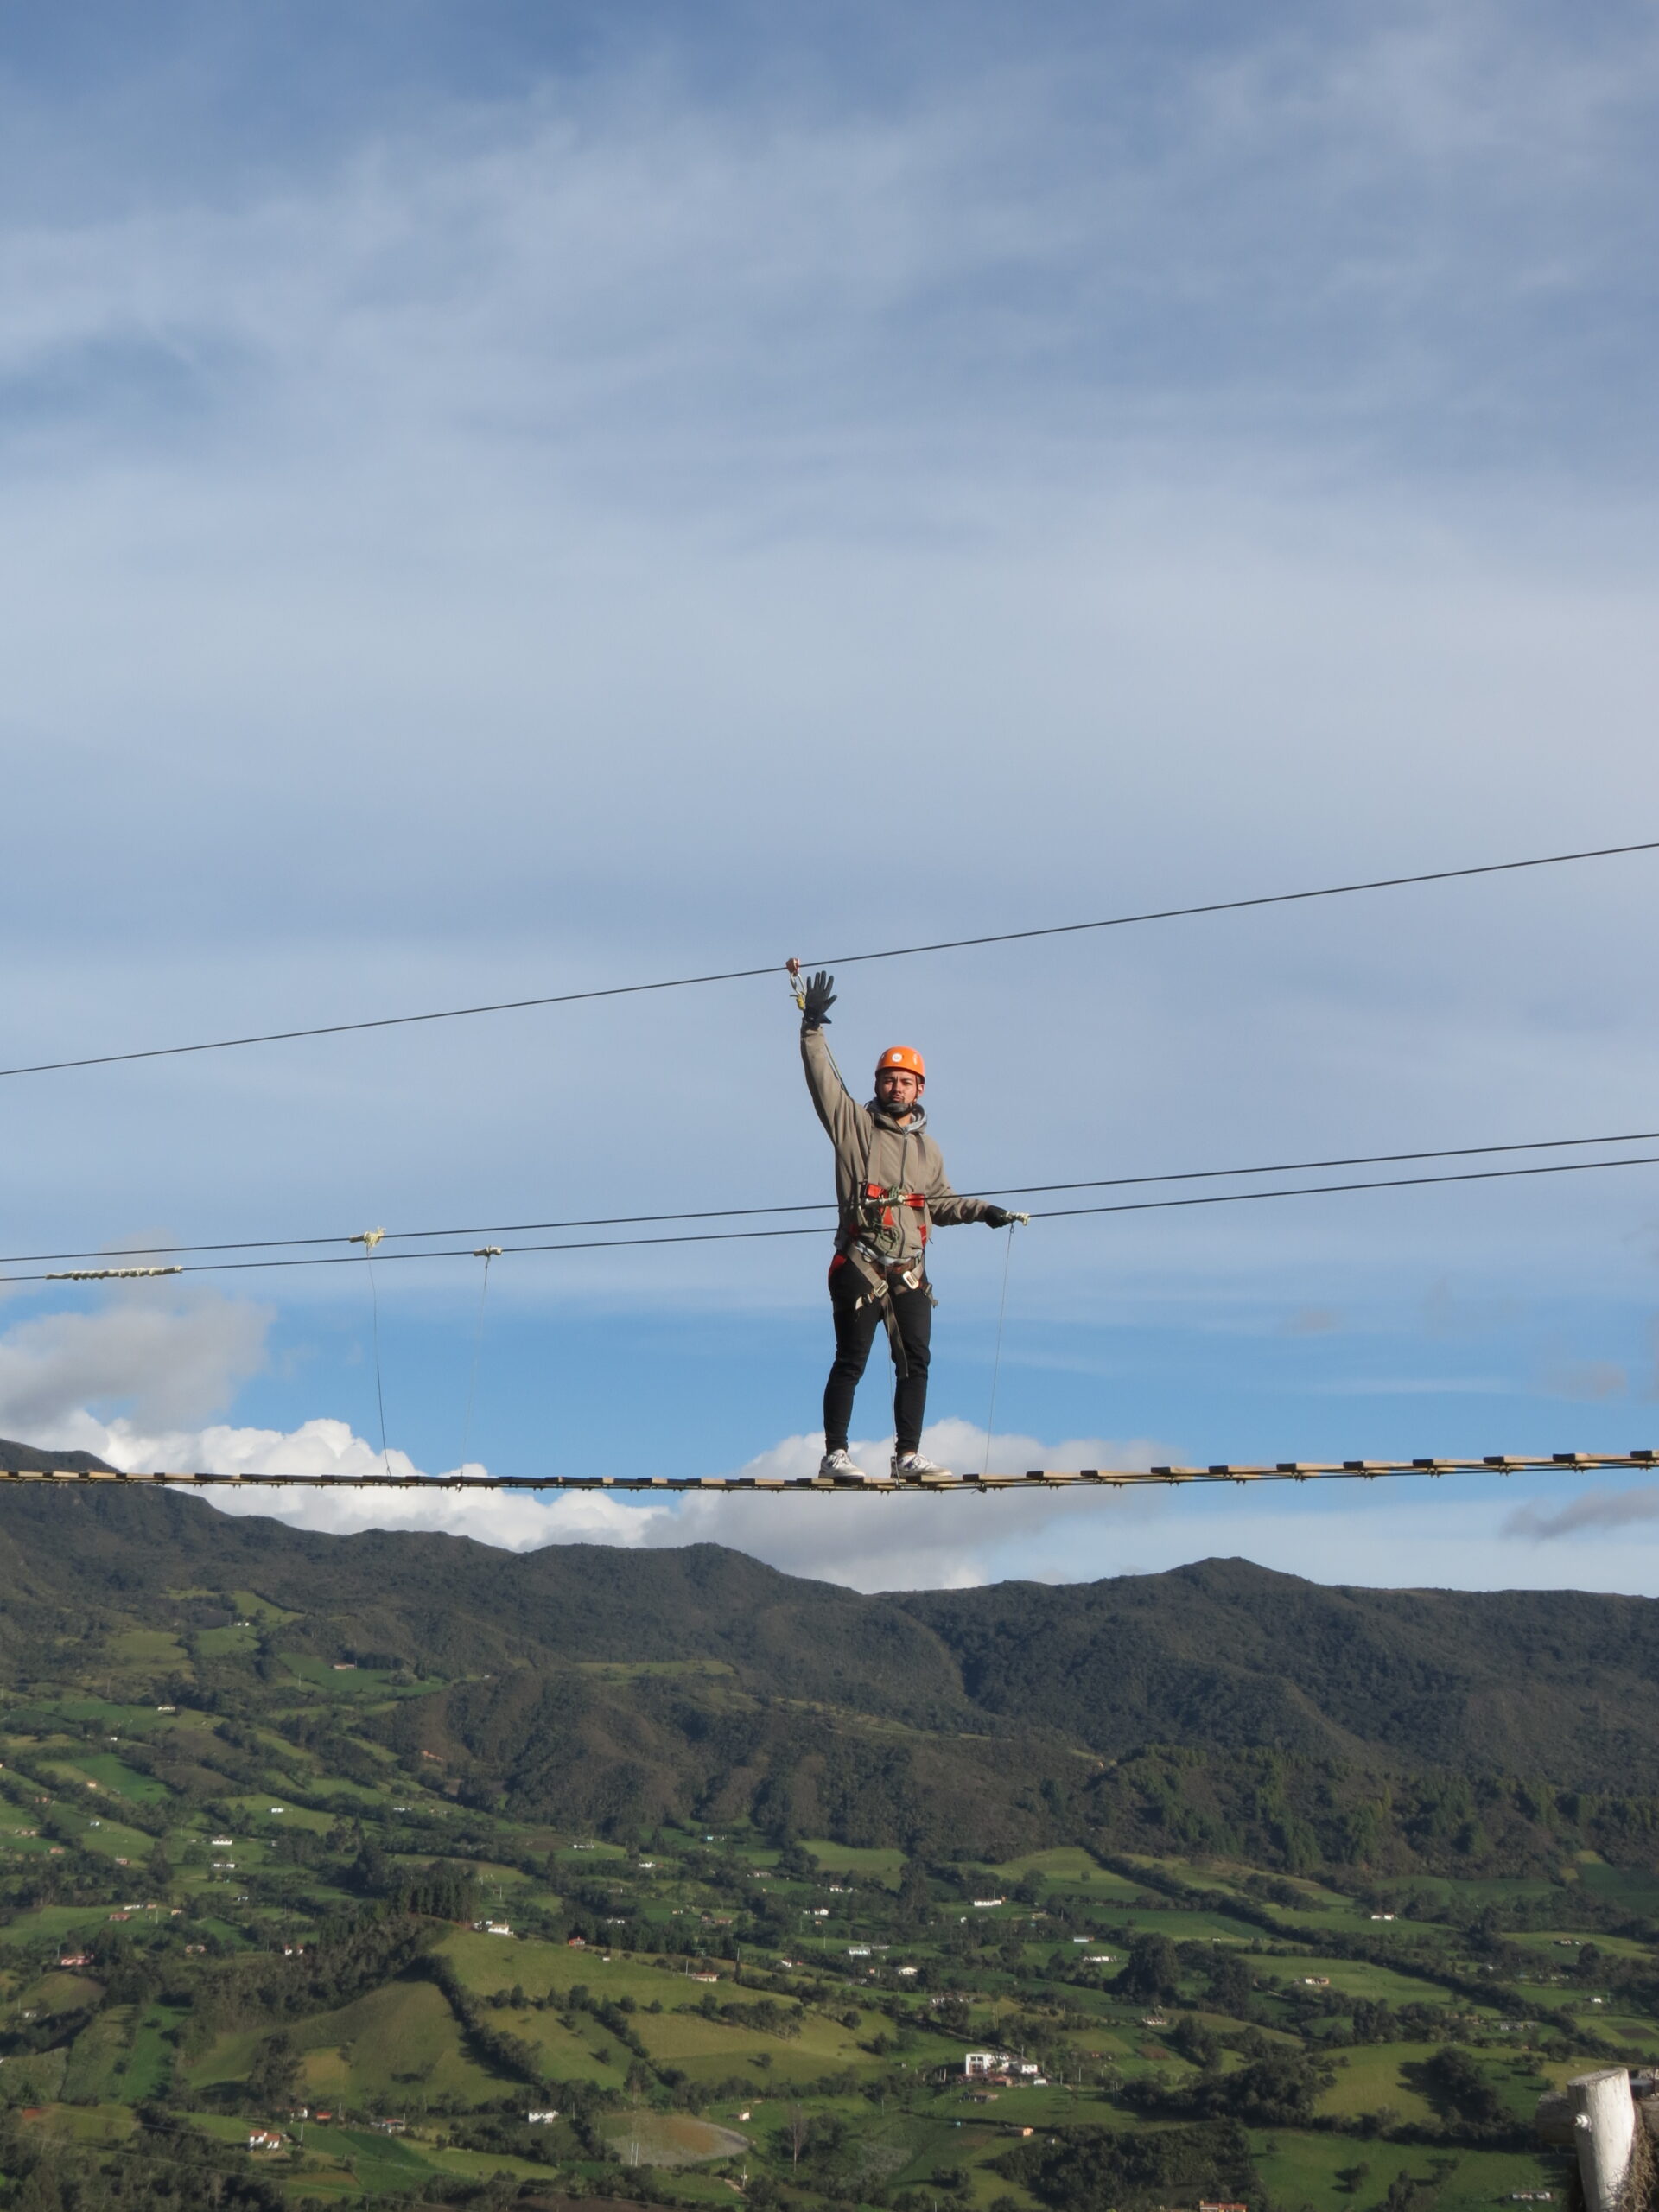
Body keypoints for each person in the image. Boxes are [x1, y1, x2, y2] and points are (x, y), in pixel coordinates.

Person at [794, 968, 1025, 1483]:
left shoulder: (928, 1149)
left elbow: (939, 1203)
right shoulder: (852, 1124)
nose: (896, 1087)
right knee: (851, 1360)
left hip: (909, 1269)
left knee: (915, 1363)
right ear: (877, 1083)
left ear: (919, 1088)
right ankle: (835, 1454)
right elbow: (822, 1080)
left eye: (905, 1080)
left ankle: (907, 1456)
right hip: (861, 1260)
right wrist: (812, 1027)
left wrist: (984, 1211)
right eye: (888, 1079)